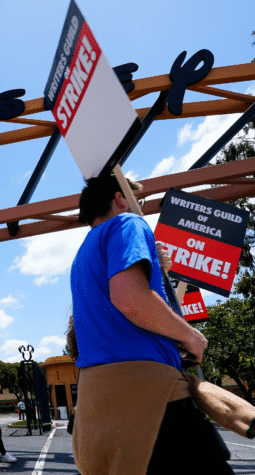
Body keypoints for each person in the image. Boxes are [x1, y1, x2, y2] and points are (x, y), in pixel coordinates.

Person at [70, 174, 233, 475]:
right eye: (138, 200)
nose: (139, 208)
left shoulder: (82, 255)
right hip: (151, 400)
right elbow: (130, 298)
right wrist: (191, 336)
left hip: (97, 406)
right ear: (120, 198)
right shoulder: (128, 224)